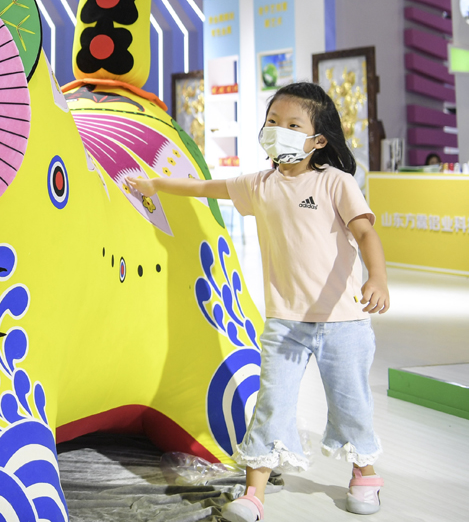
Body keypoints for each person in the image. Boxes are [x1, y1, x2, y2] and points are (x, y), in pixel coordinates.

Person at [127, 82, 389, 521]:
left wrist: (377, 277)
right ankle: (254, 493)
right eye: (272, 121)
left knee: (351, 405)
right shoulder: (260, 185)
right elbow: (205, 187)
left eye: (292, 125)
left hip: (343, 321)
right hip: (285, 323)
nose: (277, 130)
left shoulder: (336, 182)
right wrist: (156, 183)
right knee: (272, 404)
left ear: (318, 140)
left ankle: (365, 474)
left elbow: (365, 232)